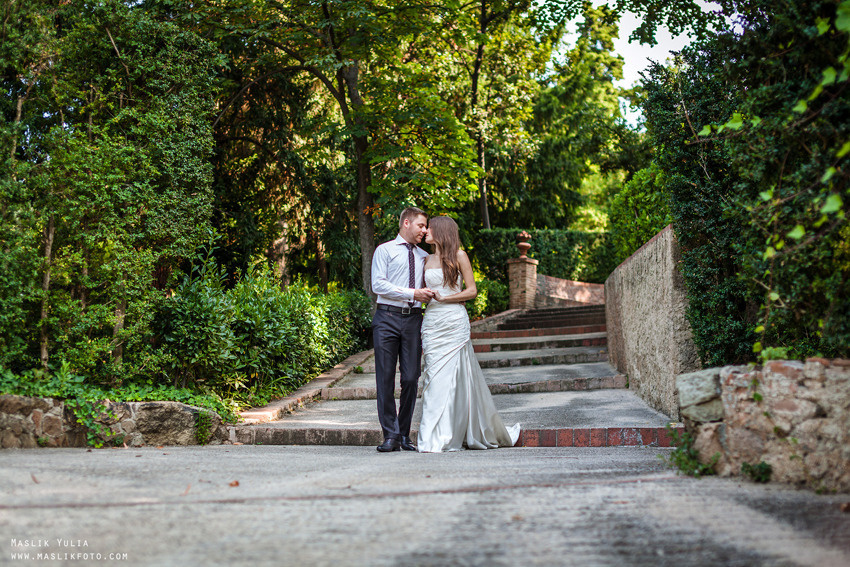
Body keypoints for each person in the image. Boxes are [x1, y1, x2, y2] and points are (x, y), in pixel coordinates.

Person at [417, 216, 521, 452]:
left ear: (442, 231)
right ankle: (434, 435)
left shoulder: (459, 256)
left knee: (456, 378)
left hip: (454, 321)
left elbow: (472, 291)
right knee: (433, 378)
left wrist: (446, 298)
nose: (425, 232)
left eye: (429, 228)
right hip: (432, 323)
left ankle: (452, 433)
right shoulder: (425, 259)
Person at [371, 207, 435, 452]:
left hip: (413, 320)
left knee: (410, 378)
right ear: (406, 223)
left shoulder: (424, 256)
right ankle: (391, 436)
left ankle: (404, 434)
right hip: (386, 318)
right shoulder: (384, 250)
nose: (424, 230)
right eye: (421, 225)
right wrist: (413, 293)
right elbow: (378, 285)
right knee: (385, 379)